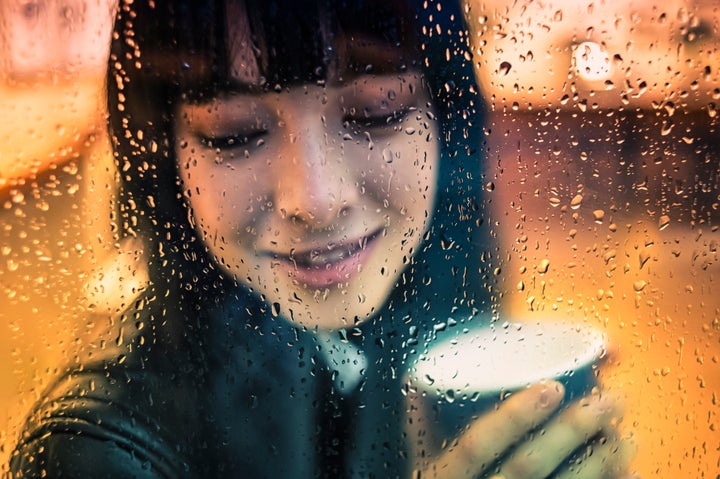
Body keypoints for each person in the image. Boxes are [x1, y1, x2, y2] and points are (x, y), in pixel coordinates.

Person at [9, 0, 635, 477]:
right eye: (233, 134)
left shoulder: (437, 281)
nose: (314, 200)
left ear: (445, 121)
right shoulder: (96, 448)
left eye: (376, 113)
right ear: (165, 163)